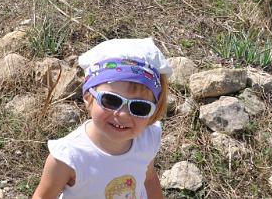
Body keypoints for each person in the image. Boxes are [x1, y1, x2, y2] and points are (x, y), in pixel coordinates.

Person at [33, 38, 172, 199]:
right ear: (88, 97)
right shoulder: (69, 157)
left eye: (139, 107)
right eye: (111, 100)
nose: (123, 114)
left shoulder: (147, 139)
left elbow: (148, 178)